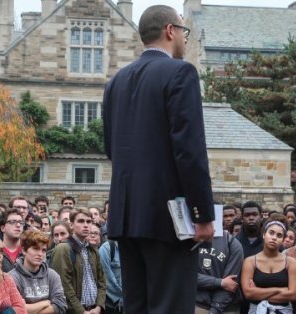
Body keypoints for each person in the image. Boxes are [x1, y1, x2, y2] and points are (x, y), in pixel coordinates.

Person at [103, 4, 215, 313]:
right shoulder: (181, 72)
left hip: (127, 216)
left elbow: (111, 148)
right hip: (169, 219)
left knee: (137, 306)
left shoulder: (116, 81)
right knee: (171, 306)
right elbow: (189, 150)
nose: (185, 39)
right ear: (170, 31)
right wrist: (203, 213)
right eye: (184, 31)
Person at [49, 208, 106, 313]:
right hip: (74, 311)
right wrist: (81, 311)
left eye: (89, 221)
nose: (86, 225)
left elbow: (101, 281)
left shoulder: (93, 250)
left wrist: (99, 306)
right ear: (71, 225)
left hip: (93, 309)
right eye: (81, 221)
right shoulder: (63, 249)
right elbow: (64, 284)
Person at [241, 220, 296, 313]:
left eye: (279, 235)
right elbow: (248, 294)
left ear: (283, 240)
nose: (274, 238)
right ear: (264, 234)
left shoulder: (291, 263)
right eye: (271, 233)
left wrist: (257, 292)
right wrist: (279, 290)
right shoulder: (250, 261)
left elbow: (293, 295)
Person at [9, 229, 68, 313]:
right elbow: (15, 310)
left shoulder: (52, 275)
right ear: (24, 250)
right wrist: (46, 303)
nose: (40, 254)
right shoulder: (12, 277)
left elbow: (61, 305)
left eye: (43, 250)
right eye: (36, 249)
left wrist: (30, 309)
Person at [196, 230, 244, 314]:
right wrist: (220, 282)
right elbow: (187, 277)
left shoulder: (232, 243)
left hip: (227, 308)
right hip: (197, 305)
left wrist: (215, 310)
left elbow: (231, 284)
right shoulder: (190, 242)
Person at [99, 239, 123, 314]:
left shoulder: (132, 248)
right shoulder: (106, 248)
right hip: (111, 302)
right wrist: (123, 295)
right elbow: (107, 278)